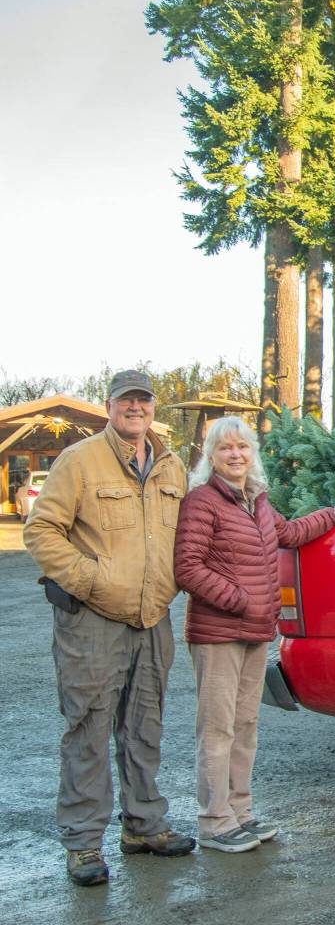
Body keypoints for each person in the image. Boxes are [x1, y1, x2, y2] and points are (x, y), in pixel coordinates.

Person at [24, 369, 196, 887]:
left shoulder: (171, 466)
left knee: (145, 726)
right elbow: (41, 529)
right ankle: (82, 843)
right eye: (126, 401)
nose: (135, 409)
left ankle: (144, 824)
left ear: (152, 408)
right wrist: (89, 580)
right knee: (89, 729)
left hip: (152, 619)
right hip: (92, 621)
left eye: (143, 401)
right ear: (109, 406)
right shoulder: (80, 461)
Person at [173, 416, 335, 853]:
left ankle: (241, 812)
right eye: (225, 448)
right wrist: (239, 600)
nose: (235, 455)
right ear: (211, 456)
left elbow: (288, 534)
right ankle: (214, 822)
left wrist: (331, 516)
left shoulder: (257, 501)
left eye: (242, 447)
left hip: (255, 633)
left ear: (252, 453)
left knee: (245, 725)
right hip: (218, 634)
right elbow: (187, 568)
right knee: (217, 728)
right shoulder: (203, 502)